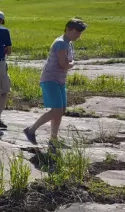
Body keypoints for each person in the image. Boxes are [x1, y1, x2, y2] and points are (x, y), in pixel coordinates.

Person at [23, 18, 88, 148]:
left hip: (59, 80)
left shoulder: (67, 43)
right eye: (76, 32)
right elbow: (64, 64)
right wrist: (73, 63)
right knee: (57, 110)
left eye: (80, 33)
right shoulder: (61, 43)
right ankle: (30, 130)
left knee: (61, 109)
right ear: (68, 29)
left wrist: (70, 63)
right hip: (50, 79)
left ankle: (53, 139)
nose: (78, 36)